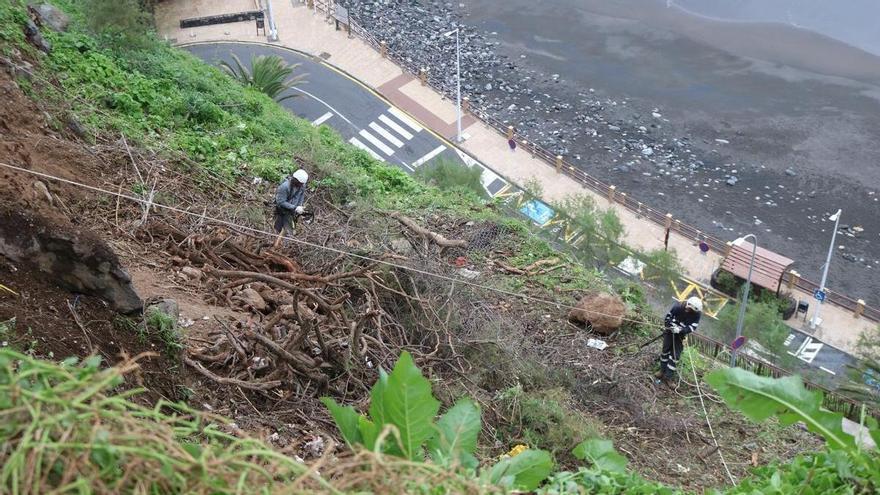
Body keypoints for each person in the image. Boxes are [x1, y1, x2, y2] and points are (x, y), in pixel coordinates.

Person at [656, 296, 702, 381]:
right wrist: (670, 326)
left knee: (675, 356)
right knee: (665, 351)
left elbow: (692, 327)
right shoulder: (678, 307)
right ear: (687, 304)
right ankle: (662, 371)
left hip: (680, 336)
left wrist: (681, 330)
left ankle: (668, 377)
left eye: (692, 310)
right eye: (689, 309)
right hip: (670, 332)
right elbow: (668, 318)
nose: (689, 311)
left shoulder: (696, 314)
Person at [273, 168, 308, 249]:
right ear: (295, 180)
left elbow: (301, 196)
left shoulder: (302, 185)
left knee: (288, 230)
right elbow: (280, 202)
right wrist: (295, 207)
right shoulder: (284, 187)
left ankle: (281, 244)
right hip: (282, 209)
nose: (301, 185)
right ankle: (275, 244)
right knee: (278, 228)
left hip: (293, 210)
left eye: (302, 184)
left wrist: (300, 207)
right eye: (300, 183)